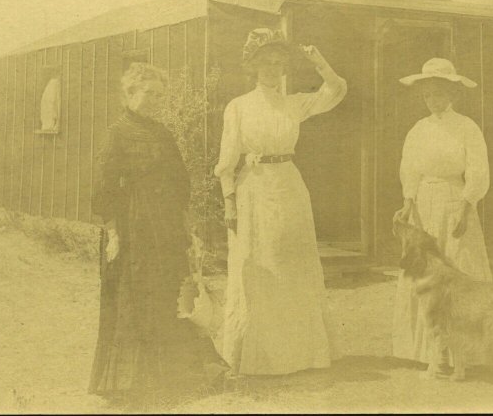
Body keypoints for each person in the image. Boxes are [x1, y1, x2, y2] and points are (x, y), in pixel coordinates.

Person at [88, 63, 228, 408]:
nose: (154, 101)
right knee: (134, 302)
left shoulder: (164, 133)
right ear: (130, 93)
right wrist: (114, 231)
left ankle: (171, 377)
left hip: (165, 228)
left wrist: (188, 228)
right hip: (133, 229)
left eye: (160, 95)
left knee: (169, 297)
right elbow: (102, 190)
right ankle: (130, 384)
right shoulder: (117, 132)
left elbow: (182, 185)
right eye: (148, 93)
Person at [214, 28, 346, 376]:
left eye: (278, 63)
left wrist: (319, 62)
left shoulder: (293, 103)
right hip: (255, 190)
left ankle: (300, 354)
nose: (272, 69)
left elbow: (336, 91)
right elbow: (227, 160)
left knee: (293, 265)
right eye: (265, 63)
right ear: (253, 67)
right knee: (262, 265)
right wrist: (229, 204)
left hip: (289, 186)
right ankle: (263, 356)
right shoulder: (238, 107)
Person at [391, 57, 493, 375]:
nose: (433, 100)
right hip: (424, 206)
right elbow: (410, 169)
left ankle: (463, 354)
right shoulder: (418, 130)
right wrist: (408, 201)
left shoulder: (467, 127)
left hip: (454, 203)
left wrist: (467, 205)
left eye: (439, 93)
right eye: (427, 94)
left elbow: (477, 170)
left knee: (458, 273)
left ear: (453, 94)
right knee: (426, 278)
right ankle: (433, 353)